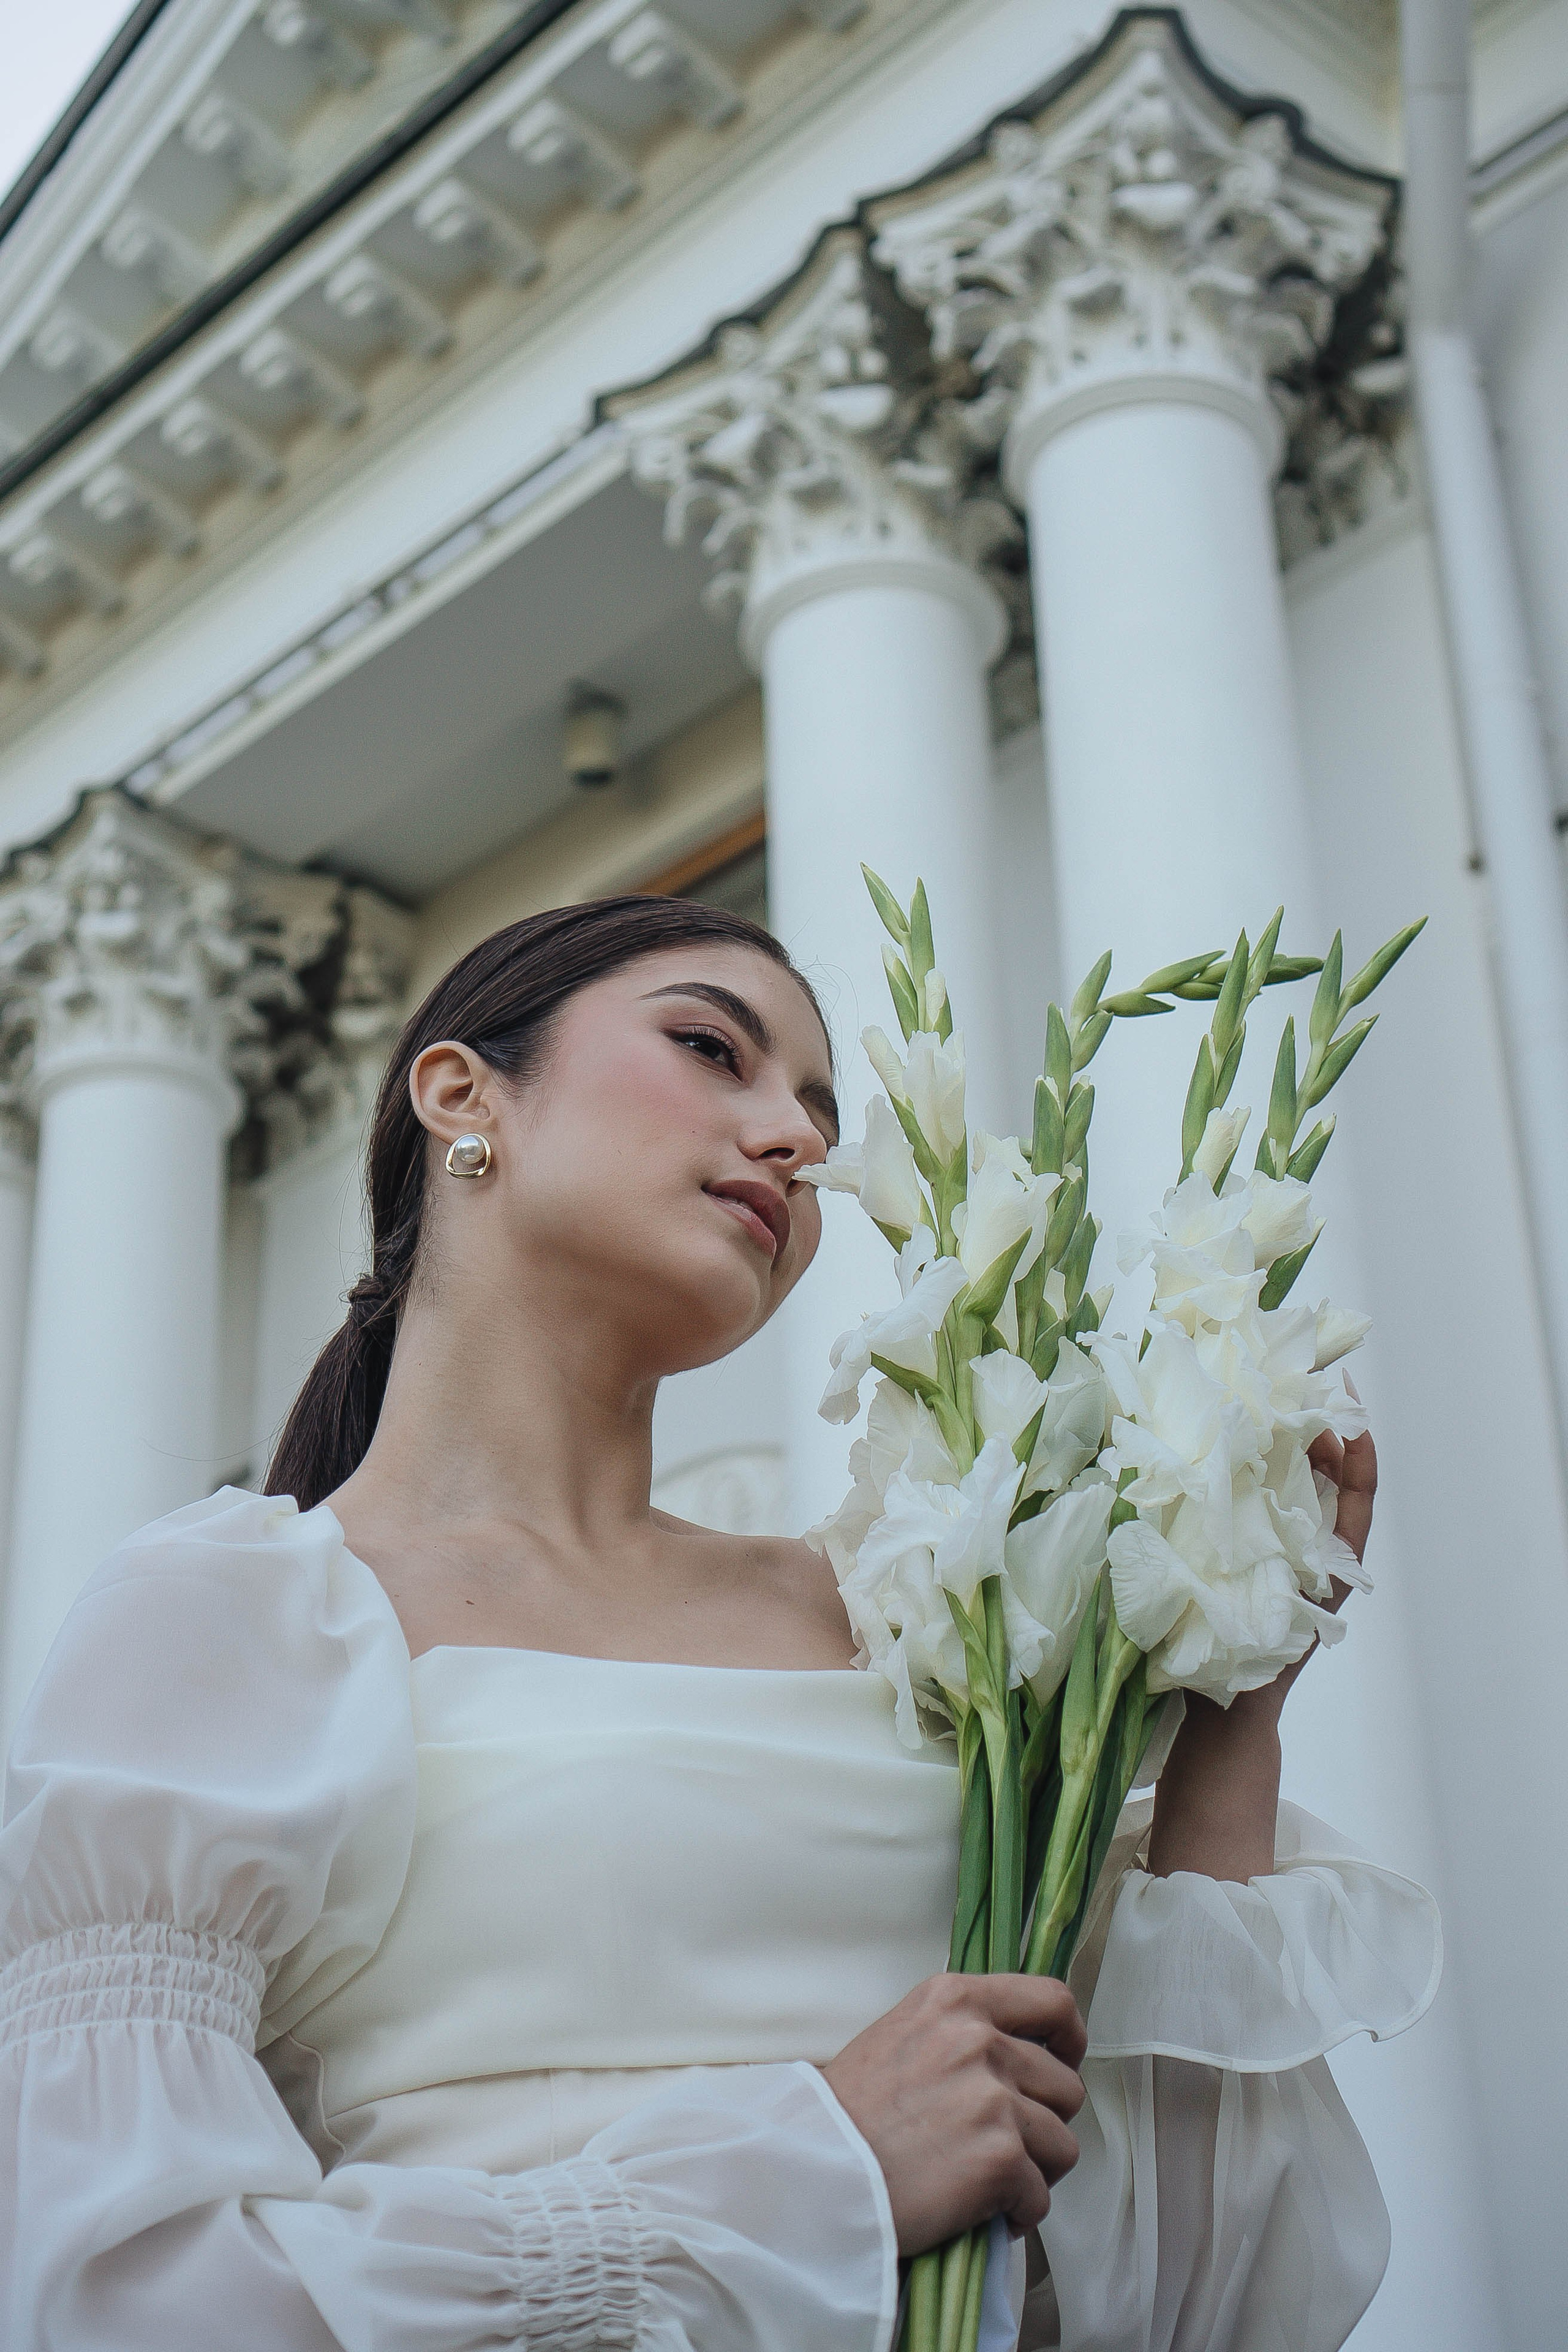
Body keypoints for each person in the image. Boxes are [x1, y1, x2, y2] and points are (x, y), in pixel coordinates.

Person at [0, 896, 1438, 2351]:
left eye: (820, 1113)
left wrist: (1229, 1718)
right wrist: (814, 2170)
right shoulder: (239, 1615)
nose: (795, 1139)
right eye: (710, 1049)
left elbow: (1198, 2299)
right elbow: (127, 2293)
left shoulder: (916, 1619)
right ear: (461, 1096)